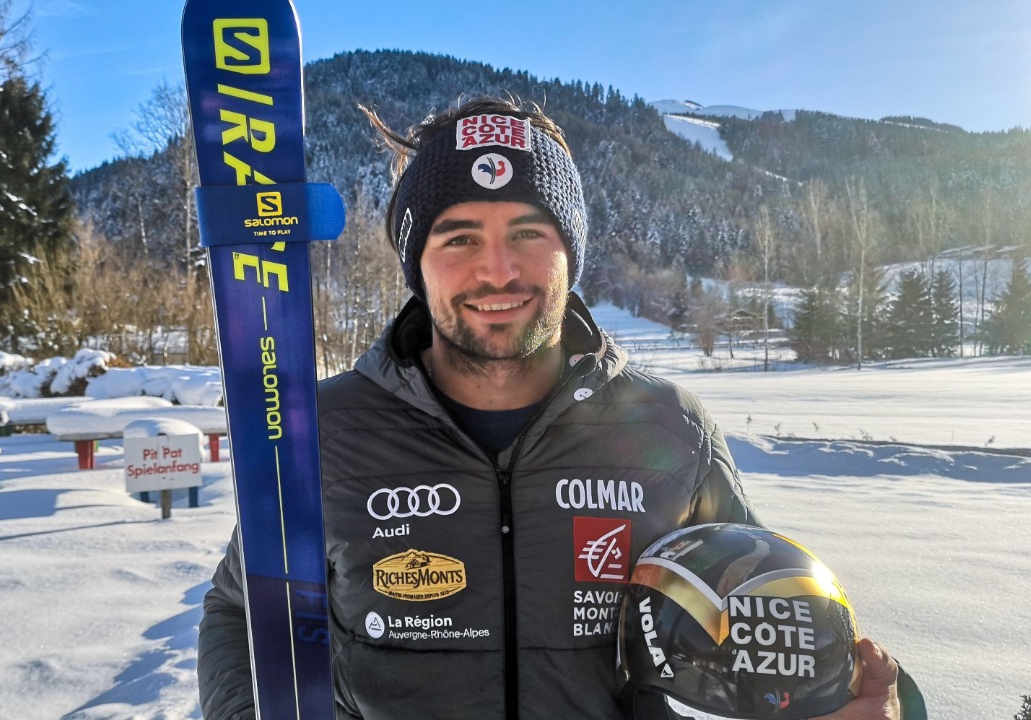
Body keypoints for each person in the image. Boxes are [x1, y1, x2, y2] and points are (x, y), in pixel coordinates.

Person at [198, 96, 918, 720]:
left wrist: (864, 700)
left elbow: (770, 603)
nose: (498, 270)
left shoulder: (668, 428)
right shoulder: (326, 432)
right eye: (459, 237)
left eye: (528, 233)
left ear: (571, 253)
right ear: (417, 263)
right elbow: (241, 608)